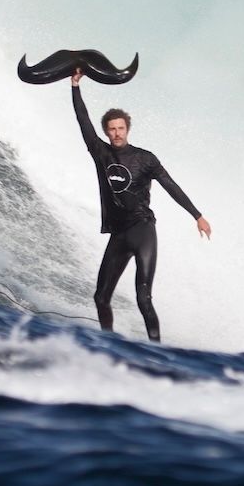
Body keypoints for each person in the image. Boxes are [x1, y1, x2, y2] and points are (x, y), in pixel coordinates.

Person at [69, 66, 210, 342]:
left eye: (121, 128)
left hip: (143, 230)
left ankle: (156, 351)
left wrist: (197, 215)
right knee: (100, 297)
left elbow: (171, 186)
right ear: (107, 132)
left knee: (143, 297)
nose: (117, 133)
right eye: (112, 129)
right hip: (119, 234)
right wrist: (75, 86)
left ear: (127, 129)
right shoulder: (101, 152)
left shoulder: (146, 158)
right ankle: (107, 343)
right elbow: (82, 120)